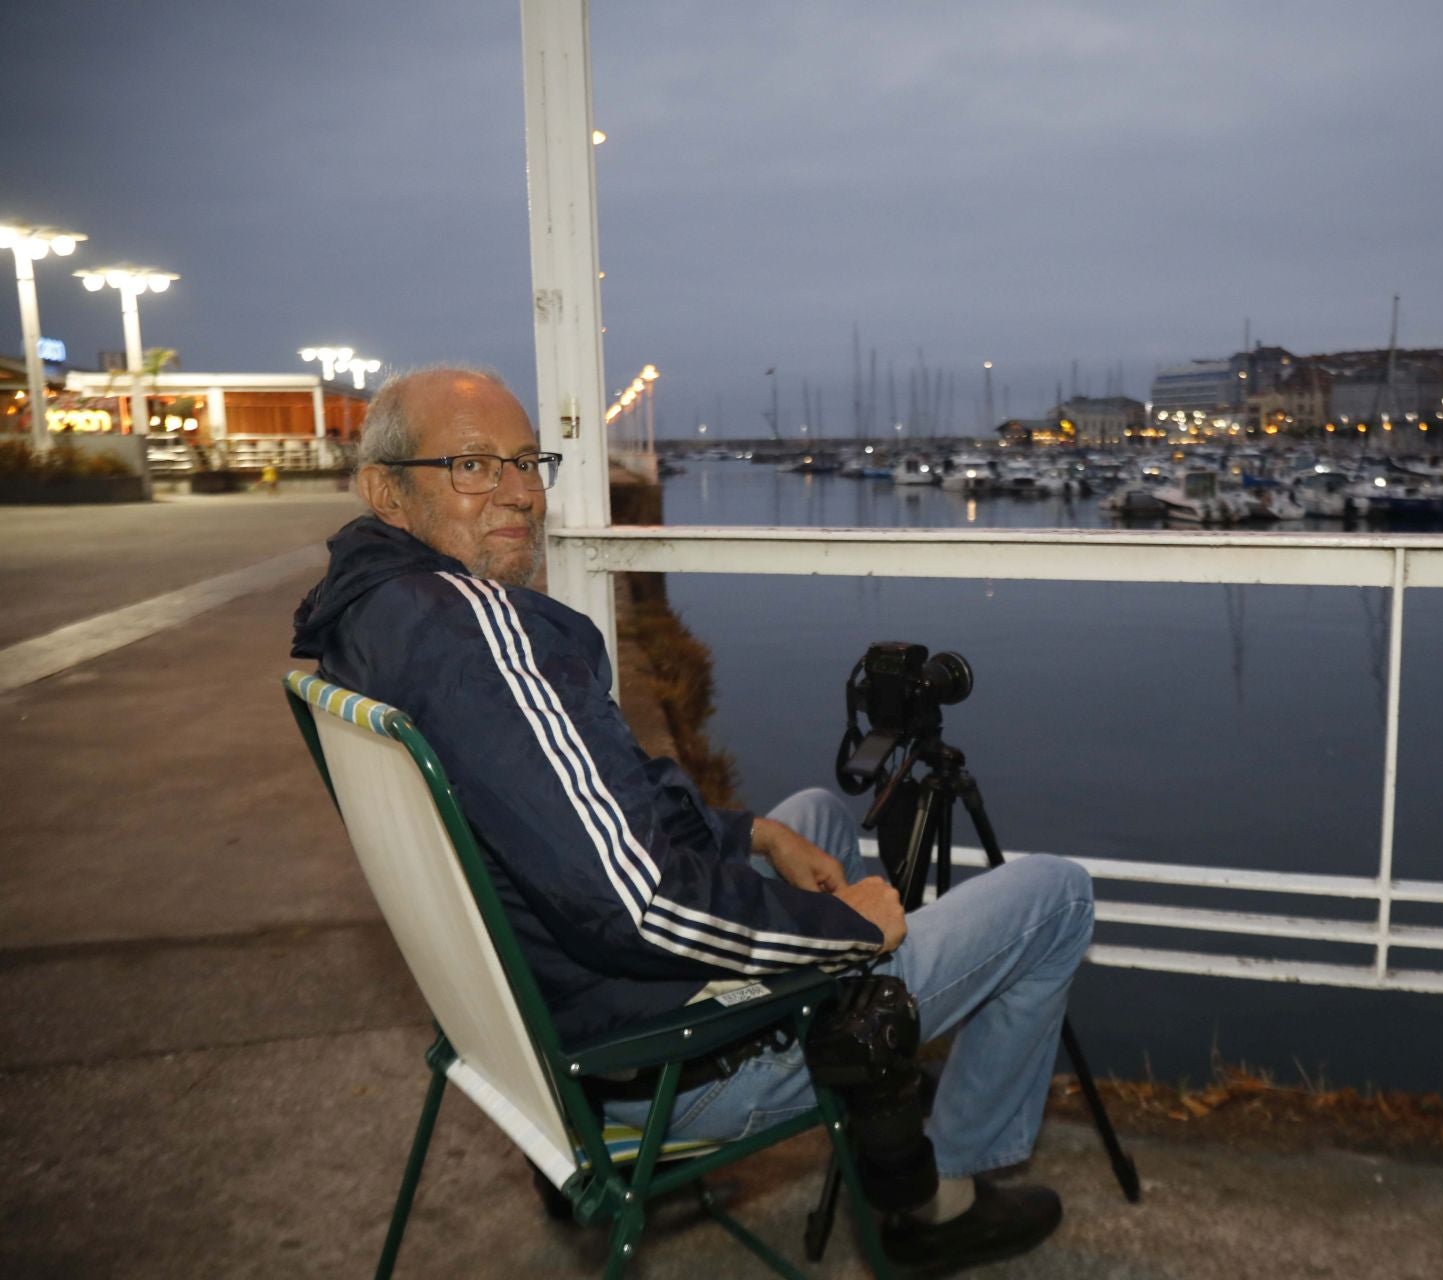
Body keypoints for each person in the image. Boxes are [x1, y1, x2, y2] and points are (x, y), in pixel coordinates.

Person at [291, 366, 1094, 1276]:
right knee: (1054, 896)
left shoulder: (370, 618)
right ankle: (933, 1197)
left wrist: (748, 833)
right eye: (474, 465)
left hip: (545, 1042)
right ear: (385, 490)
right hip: (663, 1063)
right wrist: (842, 935)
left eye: (526, 461)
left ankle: (878, 1099)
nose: (520, 492)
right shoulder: (480, 637)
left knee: (816, 821)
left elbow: (588, 807)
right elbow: (638, 907)